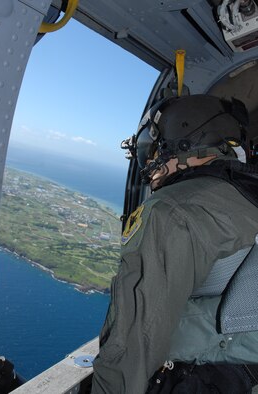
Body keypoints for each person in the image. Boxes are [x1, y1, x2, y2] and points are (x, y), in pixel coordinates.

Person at [91, 94, 258, 394]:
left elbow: (132, 343)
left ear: (183, 141)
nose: (150, 163)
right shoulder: (247, 195)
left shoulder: (172, 210)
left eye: (152, 149)